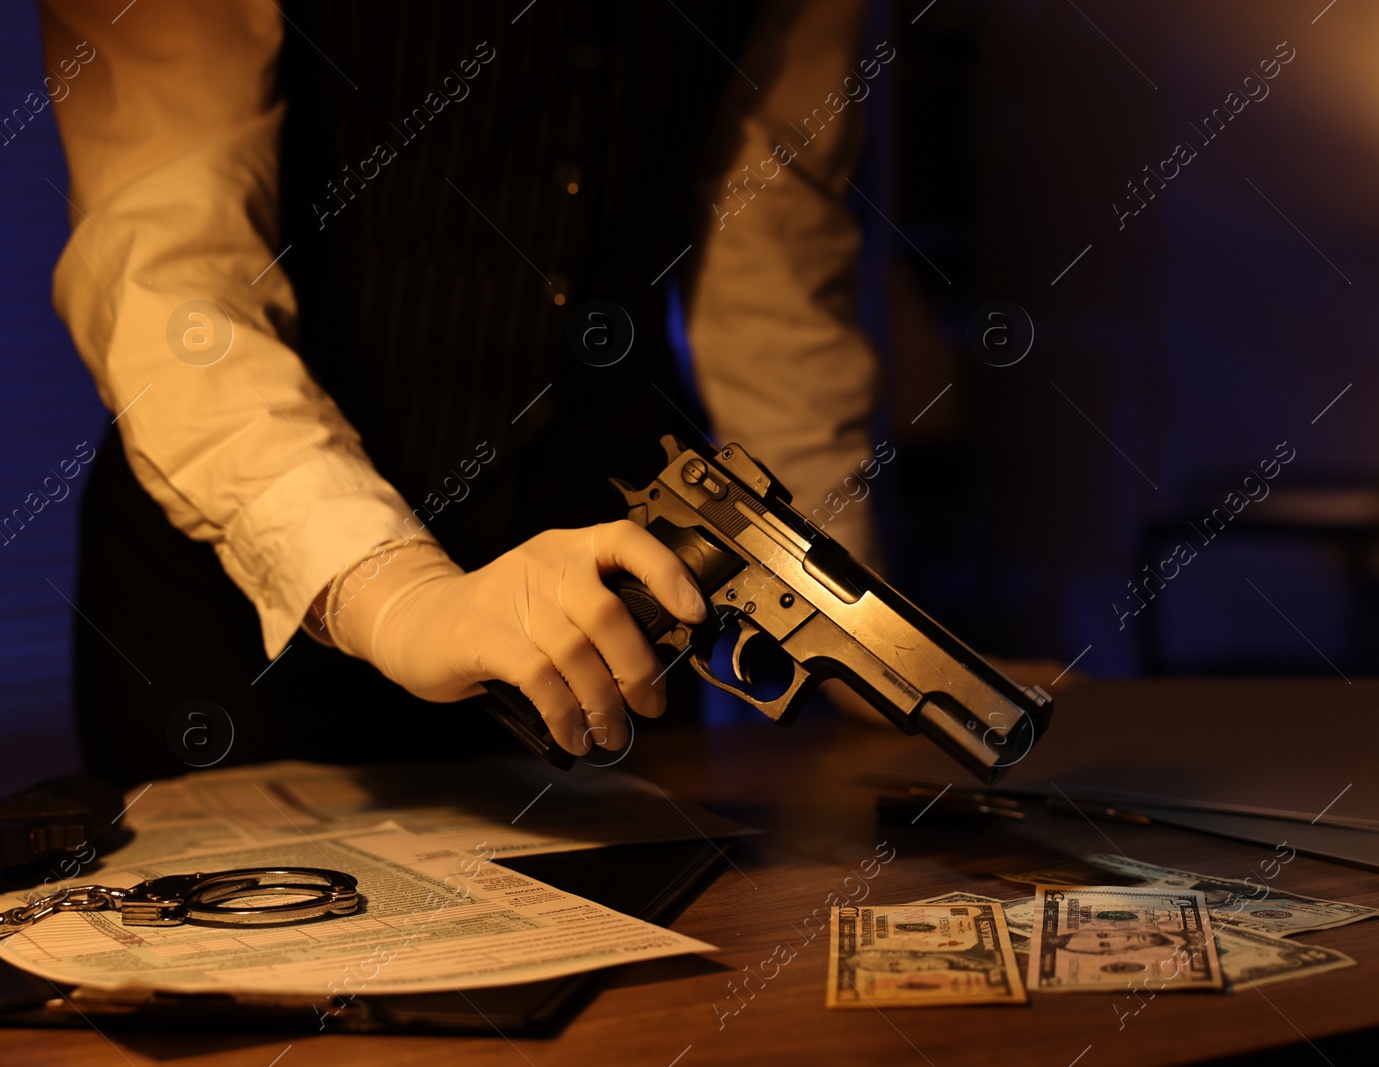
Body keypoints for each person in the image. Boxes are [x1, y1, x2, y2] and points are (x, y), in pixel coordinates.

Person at [44, 1, 1058, 788]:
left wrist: (860, 634)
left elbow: (773, 271)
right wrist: (391, 587)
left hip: (612, 616)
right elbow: (167, 274)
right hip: (242, 627)